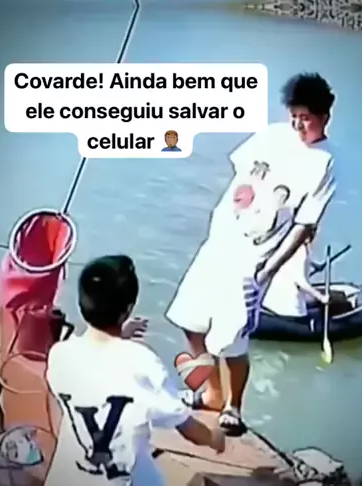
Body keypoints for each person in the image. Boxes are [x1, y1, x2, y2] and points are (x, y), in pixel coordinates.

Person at [166, 72, 337, 436]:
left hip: (254, 258)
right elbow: (240, 171)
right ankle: (212, 393)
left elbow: (305, 223)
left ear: (325, 116)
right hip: (220, 242)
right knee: (189, 320)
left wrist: (270, 268)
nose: (297, 124)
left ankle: (234, 406)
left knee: (231, 337)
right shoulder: (273, 135)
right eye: (294, 115)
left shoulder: (326, 163)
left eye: (306, 118)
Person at [44, 255, 225, 486]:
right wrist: (214, 438)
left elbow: (95, 365)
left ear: (81, 304)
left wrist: (118, 335)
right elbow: (187, 427)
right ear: (128, 309)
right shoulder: (142, 363)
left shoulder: (60, 354)